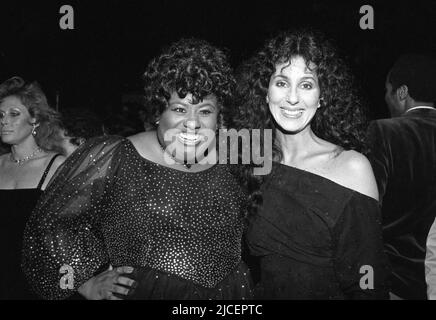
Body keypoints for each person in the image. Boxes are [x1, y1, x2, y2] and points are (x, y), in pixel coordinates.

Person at [22, 38, 253, 300]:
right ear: (158, 113)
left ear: (218, 116)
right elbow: (50, 223)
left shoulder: (238, 152)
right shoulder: (116, 154)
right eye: (179, 109)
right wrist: (82, 282)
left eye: (205, 111)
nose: (192, 123)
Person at [232, 29, 390, 299]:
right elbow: (187, 172)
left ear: (322, 96)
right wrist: (137, 263)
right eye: (281, 83)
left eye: (306, 85)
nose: (292, 98)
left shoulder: (351, 166)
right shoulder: (251, 155)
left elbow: (368, 283)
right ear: (265, 91)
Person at [368, 54, 436, 300]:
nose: (385, 98)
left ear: (402, 92)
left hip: (397, 280)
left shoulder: (384, 131)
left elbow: (369, 211)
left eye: (387, 91)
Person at [0, 76, 66, 299]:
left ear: (35, 119)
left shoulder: (56, 165)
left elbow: (76, 232)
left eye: (14, 114)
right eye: (0, 115)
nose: (4, 121)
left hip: (38, 283)